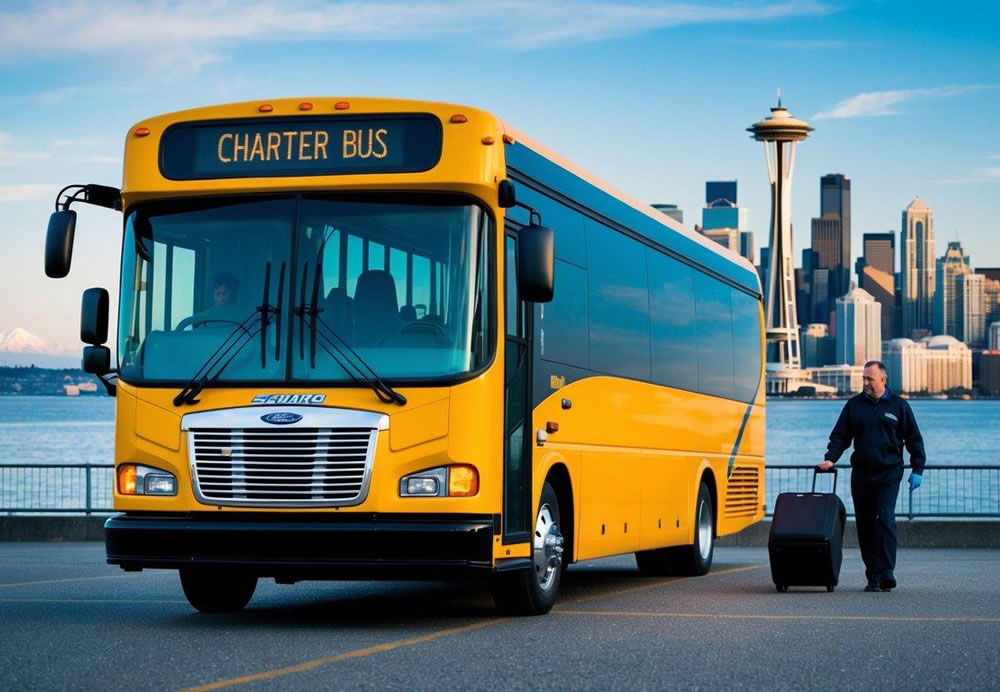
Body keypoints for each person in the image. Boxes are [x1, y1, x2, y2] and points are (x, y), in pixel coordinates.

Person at [816, 360, 925, 592]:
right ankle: (873, 575)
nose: (865, 382)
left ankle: (887, 572)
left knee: (885, 518)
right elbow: (840, 436)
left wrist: (917, 469)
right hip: (862, 474)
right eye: (863, 378)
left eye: (870, 378)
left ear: (883, 380)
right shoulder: (854, 406)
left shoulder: (899, 406)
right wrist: (830, 458)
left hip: (889, 473)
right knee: (865, 525)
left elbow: (914, 439)